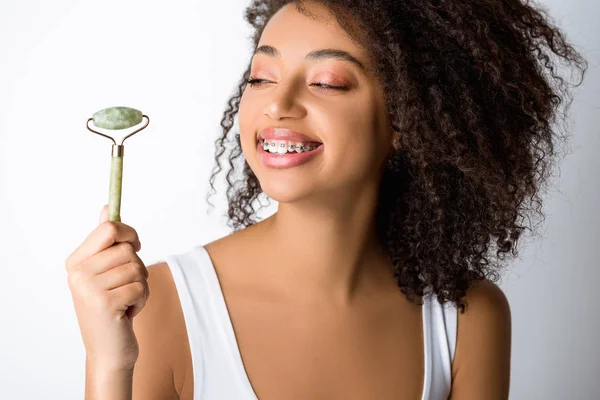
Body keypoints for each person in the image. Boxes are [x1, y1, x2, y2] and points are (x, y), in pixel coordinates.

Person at [65, 0, 587, 399]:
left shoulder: (467, 319)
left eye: (327, 82)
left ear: (408, 119)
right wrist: (110, 365)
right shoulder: (155, 305)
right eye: (261, 77)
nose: (278, 105)